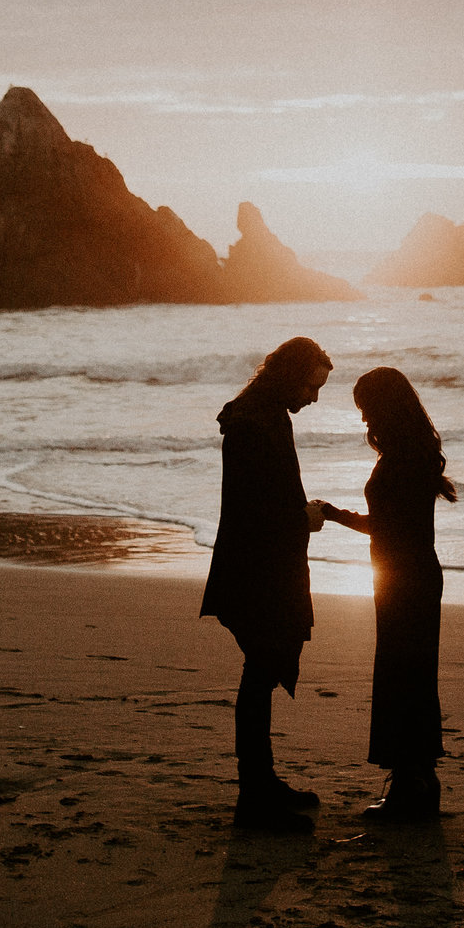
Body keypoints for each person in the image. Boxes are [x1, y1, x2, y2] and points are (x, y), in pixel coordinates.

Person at [200, 335, 334, 833]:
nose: (315, 398)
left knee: (260, 674)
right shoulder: (254, 422)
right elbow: (255, 512)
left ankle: (261, 782)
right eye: (312, 385)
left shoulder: (262, 411)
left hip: (256, 566)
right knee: (259, 676)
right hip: (255, 571)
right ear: (290, 375)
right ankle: (254, 796)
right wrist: (303, 518)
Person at [316, 366, 455, 823]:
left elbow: (391, 527)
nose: (363, 421)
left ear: (385, 408)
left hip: (403, 575)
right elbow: (395, 524)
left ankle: (408, 787)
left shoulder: (403, 458)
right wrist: (337, 515)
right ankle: (419, 782)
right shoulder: (411, 451)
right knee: (411, 673)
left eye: (367, 409)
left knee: (401, 675)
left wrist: (337, 517)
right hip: (408, 571)